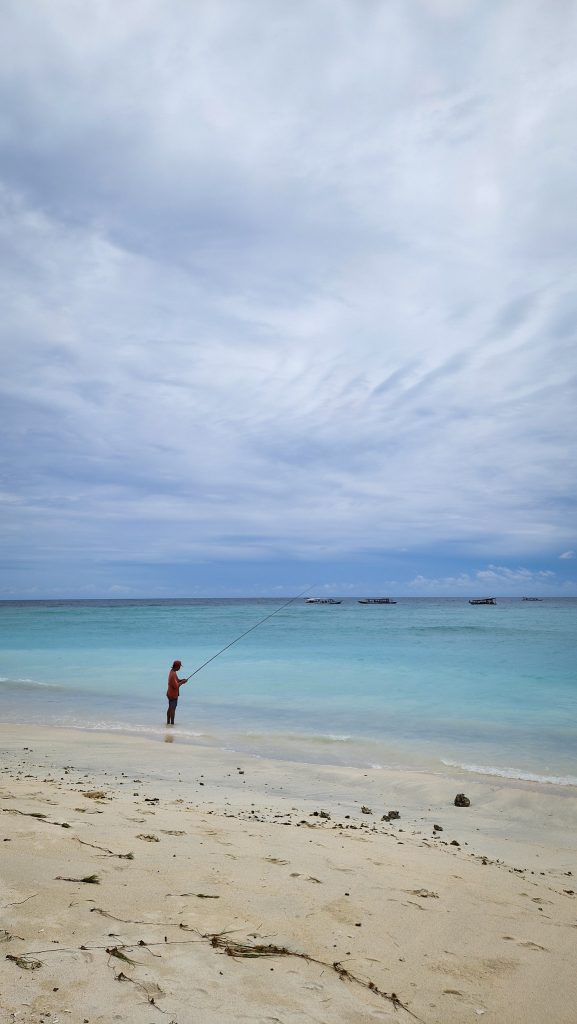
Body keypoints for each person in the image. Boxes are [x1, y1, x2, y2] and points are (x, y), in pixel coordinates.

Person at [166, 660, 188, 725]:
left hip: (169, 693)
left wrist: (181, 680)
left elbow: (177, 680)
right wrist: (182, 682)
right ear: (177, 666)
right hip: (172, 694)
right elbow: (176, 686)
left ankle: (168, 722)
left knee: (170, 707)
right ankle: (172, 723)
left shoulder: (173, 672)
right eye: (179, 666)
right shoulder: (172, 674)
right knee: (173, 709)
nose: (180, 668)